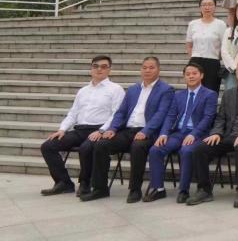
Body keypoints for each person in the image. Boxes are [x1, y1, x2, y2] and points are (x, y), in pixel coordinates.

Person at [81, 56, 173, 203]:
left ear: (158, 70)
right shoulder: (133, 89)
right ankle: (100, 188)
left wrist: (145, 131)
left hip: (148, 131)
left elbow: (160, 114)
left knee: (137, 147)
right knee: (101, 144)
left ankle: (135, 189)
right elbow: (121, 112)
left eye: (151, 67)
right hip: (128, 130)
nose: (147, 70)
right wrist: (113, 128)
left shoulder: (166, 90)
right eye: (144, 67)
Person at [188, 58, 238, 207]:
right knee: (200, 148)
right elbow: (221, 118)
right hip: (229, 136)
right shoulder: (228, 94)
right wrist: (216, 132)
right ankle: (204, 190)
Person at [39, 55, 125, 198]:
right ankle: (64, 182)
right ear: (91, 68)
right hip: (80, 130)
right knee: (48, 146)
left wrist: (102, 130)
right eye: (95, 66)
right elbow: (73, 113)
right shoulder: (83, 90)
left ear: (109, 69)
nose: (99, 69)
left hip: (99, 130)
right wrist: (62, 129)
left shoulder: (116, 89)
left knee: (86, 148)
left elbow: (116, 114)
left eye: (104, 66)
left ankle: (85, 182)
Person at [146, 61, 219, 203]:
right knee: (155, 149)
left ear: (201, 75)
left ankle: (183, 190)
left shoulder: (210, 94)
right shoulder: (178, 95)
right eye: (188, 74)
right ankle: (158, 189)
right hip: (179, 133)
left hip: (198, 134)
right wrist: (163, 133)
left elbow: (208, 118)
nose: (191, 76)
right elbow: (170, 116)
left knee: (186, 151)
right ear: (184, 77)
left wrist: (194, 134)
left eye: (194, 73)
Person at [185, 0, 227, 94]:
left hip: (212, 63)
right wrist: (193, 58)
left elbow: (224, 45)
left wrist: (217, 56)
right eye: (204, 5)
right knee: (193, 91)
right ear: (200, 7)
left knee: (211, 92)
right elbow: (189, 44)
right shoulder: (193, 24)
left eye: (210, 4)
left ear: (215, 7)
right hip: (195, 62)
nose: (207, 7)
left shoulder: (221, 24)